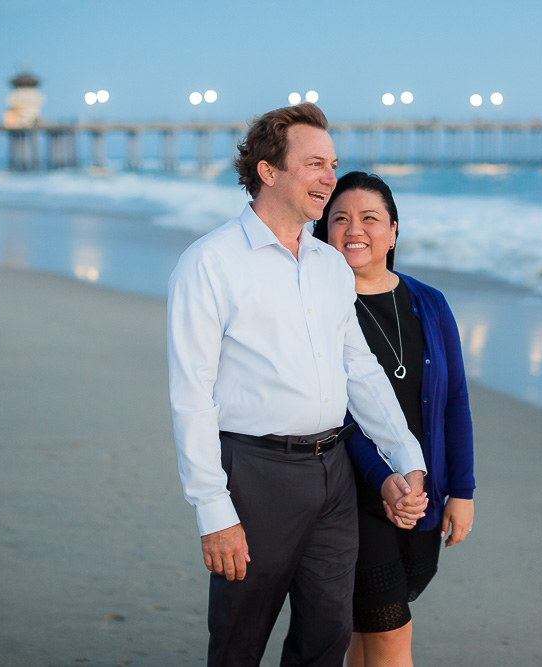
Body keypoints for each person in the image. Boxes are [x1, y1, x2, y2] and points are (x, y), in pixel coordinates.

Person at [166, 104, 429, 667]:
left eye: (332, 163)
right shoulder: (209, 263)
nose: (330, 178)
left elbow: (359, 369)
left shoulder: (329, 266)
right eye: (314, 163)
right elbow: (191, 395)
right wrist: (214, 509)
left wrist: (405, 452)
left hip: (333, 475)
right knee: (239, 641)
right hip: (255, 475)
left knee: (326, 637)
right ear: (268, 171)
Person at [313, 171, 476, 667]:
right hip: (353, 498)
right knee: (390, 634)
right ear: (323, 231)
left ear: (394, 231)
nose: (353, 228)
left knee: (366, 634)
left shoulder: (429, 302)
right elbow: (337, 415)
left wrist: (462, 492)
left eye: (369, 218)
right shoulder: (317, 309)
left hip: (424, 493)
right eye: (338, 218)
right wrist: (386, 479)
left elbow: (455, 402)